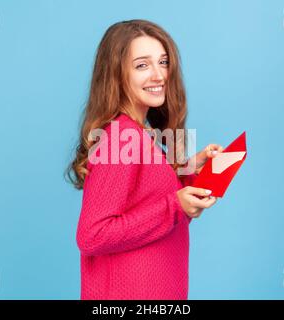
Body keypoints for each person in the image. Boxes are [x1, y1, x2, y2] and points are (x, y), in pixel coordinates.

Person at [67, 19, 223, 300]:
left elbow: (148, 201)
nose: (159, 75)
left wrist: (191, 172)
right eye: (142, 65)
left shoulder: (140, 133)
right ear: (117, 74)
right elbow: (92, 235)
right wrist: (176, 207)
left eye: (163, 62)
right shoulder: (121, 136)